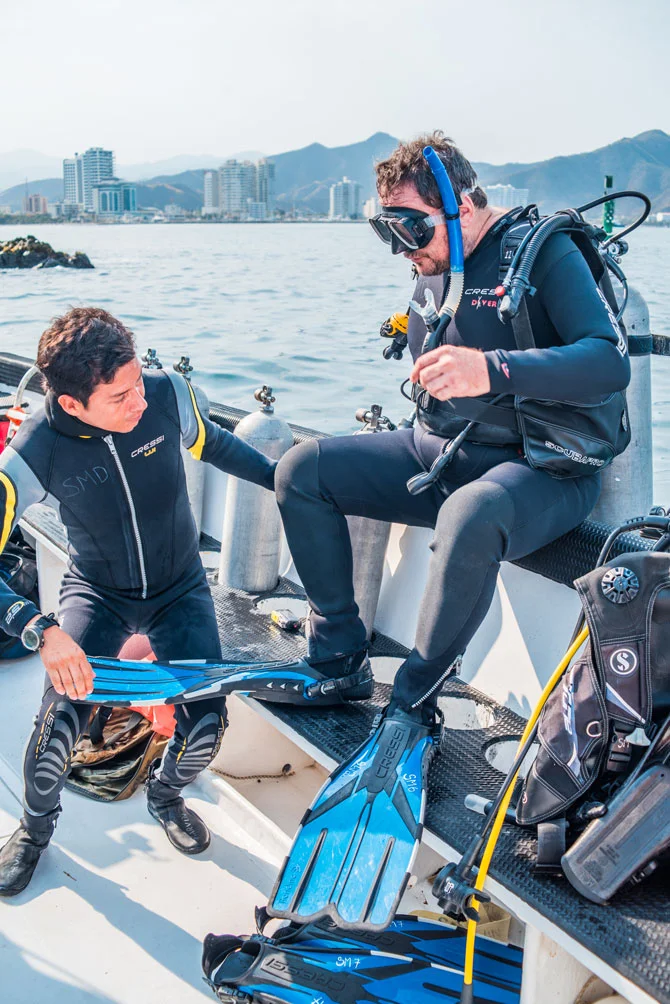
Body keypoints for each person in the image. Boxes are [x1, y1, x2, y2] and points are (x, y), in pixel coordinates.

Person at [275, 131, 631, 722]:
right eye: (389, 230)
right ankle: (338, 659)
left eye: (412, 228)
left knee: (469, 515)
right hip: (439, 452)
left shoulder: (543, 253)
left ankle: (413, 704)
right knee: (301, 470)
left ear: (462, 207)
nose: (403, 249)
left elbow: (609, 361)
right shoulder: (437, 259)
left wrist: (490, 368)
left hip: (538, 469)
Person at [0, 306, 277, 896]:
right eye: (121, 396)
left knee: (206, 726)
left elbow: (215, 444)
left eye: (138, 383)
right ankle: (33, 833)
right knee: (55, 732)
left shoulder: (167, 392)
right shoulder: (33, 450)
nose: (140, 402)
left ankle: (166, 794)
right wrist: (42, 631)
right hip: (97, 592)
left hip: (181, 587)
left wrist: (284, 481)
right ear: (72, 403)